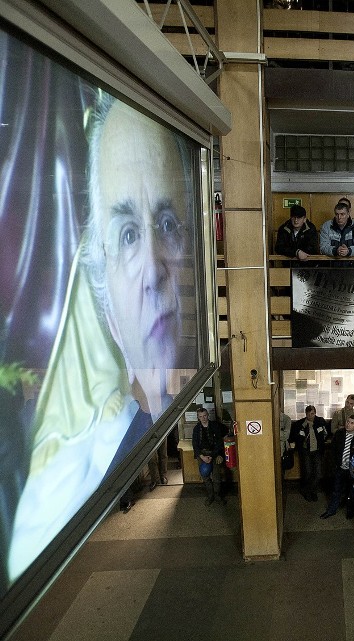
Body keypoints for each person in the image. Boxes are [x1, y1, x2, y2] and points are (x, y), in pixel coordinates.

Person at [8, 96, 195, 582]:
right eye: (128, 234)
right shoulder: (57, 500)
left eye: (169, 225)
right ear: (109, 316)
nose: (153, 270)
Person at [320, 416, 354, 519]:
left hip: (352, 469)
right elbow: (333, 450)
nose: (348, 424)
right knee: (336, 489)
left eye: (351, 423)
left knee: (352, 491)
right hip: (339, 467)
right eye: (347, 422)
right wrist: (335, 464)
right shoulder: (339, 433)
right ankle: (331, 510)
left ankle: (350, 512)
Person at [289, 405, 329, 502]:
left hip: (317, 451)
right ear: (305, 414)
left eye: (312, 414)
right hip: (306, 451)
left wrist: (324, 439)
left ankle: (312, 490)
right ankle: (307, 491)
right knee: (307, 473)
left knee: (318, 473)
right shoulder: (301, 424)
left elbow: (326, 433)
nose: (310, 416)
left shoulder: (320, 421)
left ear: (315, 413)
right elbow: (294, 436)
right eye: (308, 414)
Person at [192, 408, 227, 506]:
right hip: (202, 454)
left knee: (216, 476)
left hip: (214, 454)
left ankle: (217, 495)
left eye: (204, 416)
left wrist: (215, 455)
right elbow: (195, 445)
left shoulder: (215, 425)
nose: (203, 418)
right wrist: (202, 456)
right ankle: (210, 495)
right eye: (200, 416)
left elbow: (220, 442)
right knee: (205, 476)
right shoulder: (196, 429)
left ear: (208, 415)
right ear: (198, 418)